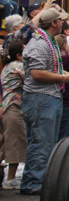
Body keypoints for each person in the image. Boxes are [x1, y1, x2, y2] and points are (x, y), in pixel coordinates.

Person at [20, 6, 69, 195]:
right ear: (53, 23)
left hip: (47, 97)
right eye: (60, 20)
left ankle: (39, 180)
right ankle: (32, 183)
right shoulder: (39, 44)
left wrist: (61, 73)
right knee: (41, 141)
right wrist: (62, 78)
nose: (63, 22)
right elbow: (36, 73)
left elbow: (46, 68)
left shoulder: (48, 42)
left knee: (47, 142)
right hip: (40, 98)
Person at [2, 41, 25, 189]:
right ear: (18, 55)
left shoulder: (7, 67)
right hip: (12, 107)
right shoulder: (19, 67)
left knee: (6, 143)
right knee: (15, 142)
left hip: (6, 106)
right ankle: (10, 179)